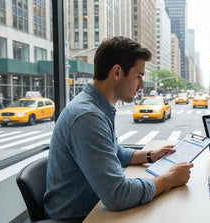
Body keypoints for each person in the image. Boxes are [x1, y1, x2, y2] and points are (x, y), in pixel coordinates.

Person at [44, 36, 194, 220]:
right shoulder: (88, 117)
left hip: (95, 208)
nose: (141, 85)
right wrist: (169, 179)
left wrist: (150, 155)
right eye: (138, 76)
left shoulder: (97, 107)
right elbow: (117, 195)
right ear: (117, 72)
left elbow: (114, 152)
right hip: (78, 217)